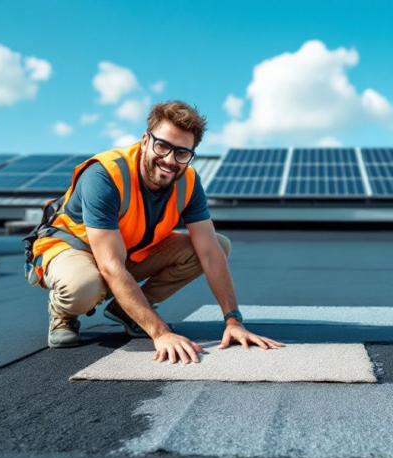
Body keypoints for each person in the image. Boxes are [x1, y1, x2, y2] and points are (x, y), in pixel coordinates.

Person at [25, 100, 282, 363]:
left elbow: (210, 253)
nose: (170, 160)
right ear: (145, 140)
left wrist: (233, 321)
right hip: (74, 249)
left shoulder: (189, 182)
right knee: (84, 288)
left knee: (219, 244)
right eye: (162, 146)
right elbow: (110, 265)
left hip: (126, 251)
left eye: (182, 153)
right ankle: (63, 313)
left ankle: (128, 310)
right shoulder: (105, 175)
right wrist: (160, 333)